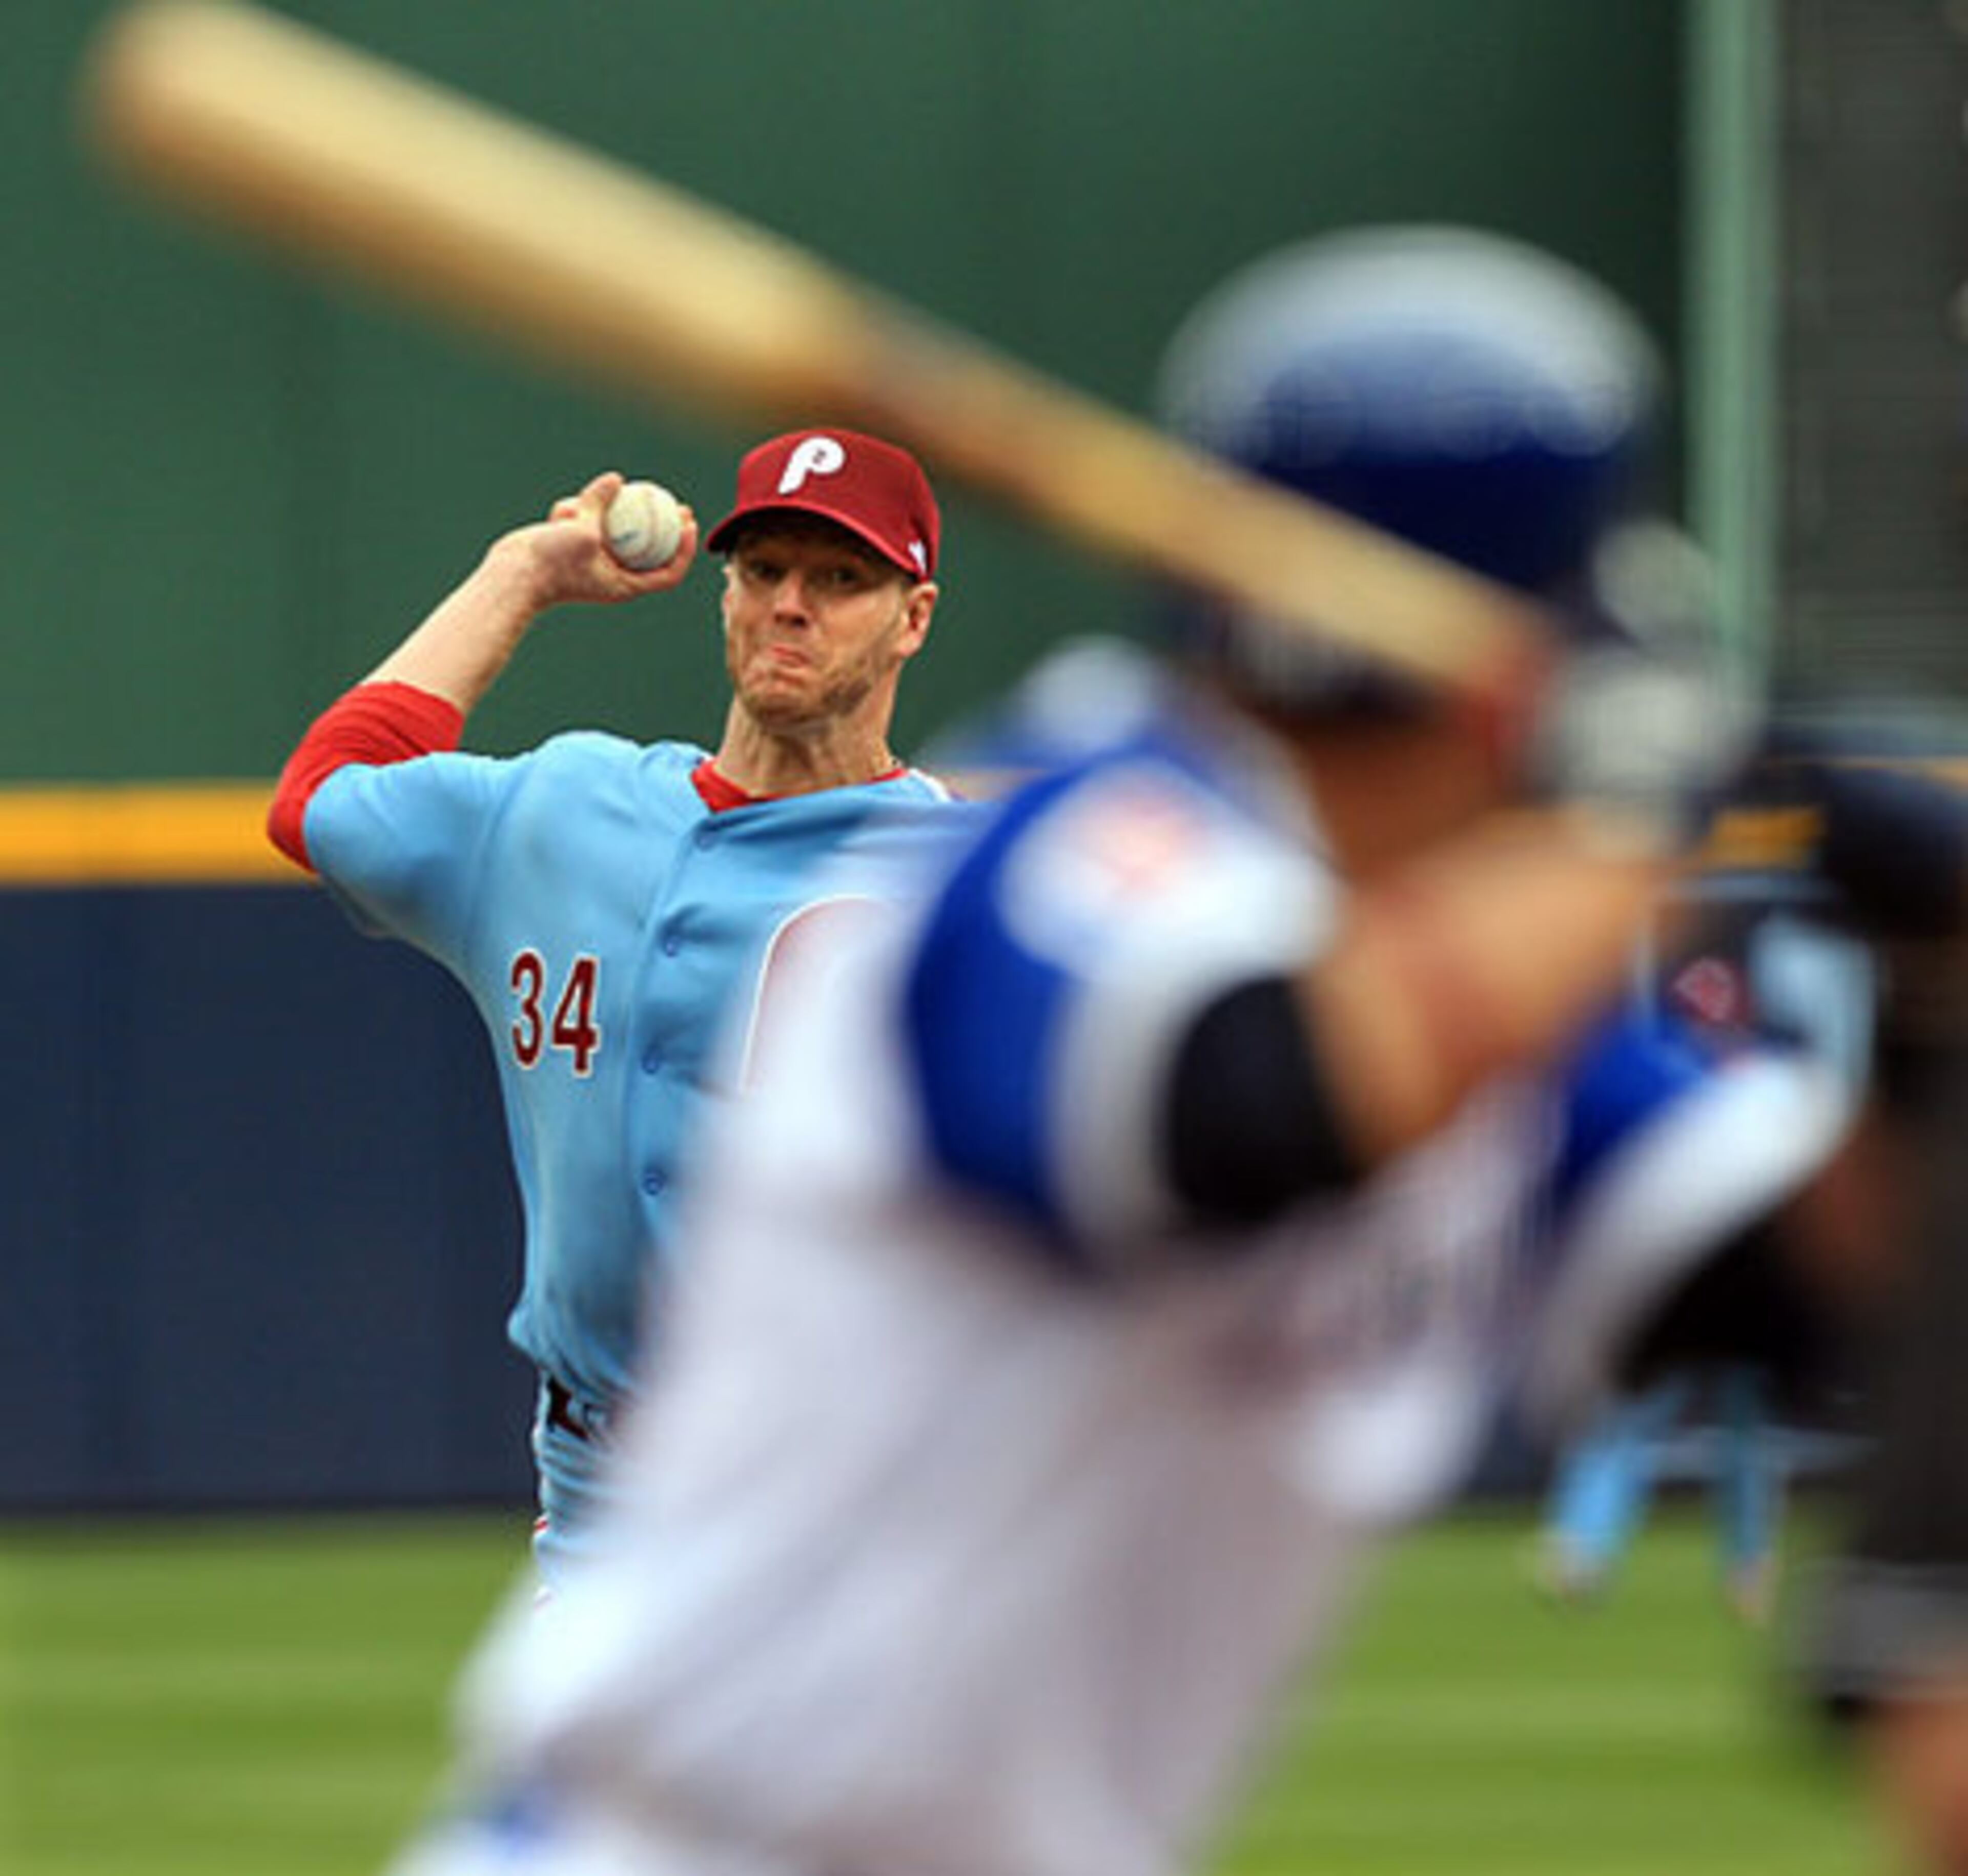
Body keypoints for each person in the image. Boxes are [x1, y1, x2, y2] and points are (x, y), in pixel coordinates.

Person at [382, 228, 1850, 1876]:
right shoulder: (1091, 840)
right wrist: (1642, 818)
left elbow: (1809, 1271)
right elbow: (1250, 1094)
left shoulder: (1494, 1007)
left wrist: (1912, 945)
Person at [266, 429, 966, 1584]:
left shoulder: (960, 883)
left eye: (841, 579)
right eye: (765, 570)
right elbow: (322, 798)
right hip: (603, 1502)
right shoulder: (560, 807)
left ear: (913, 616)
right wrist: (521, 577)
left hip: (858, 1507)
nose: (792, 605)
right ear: (726, 592)